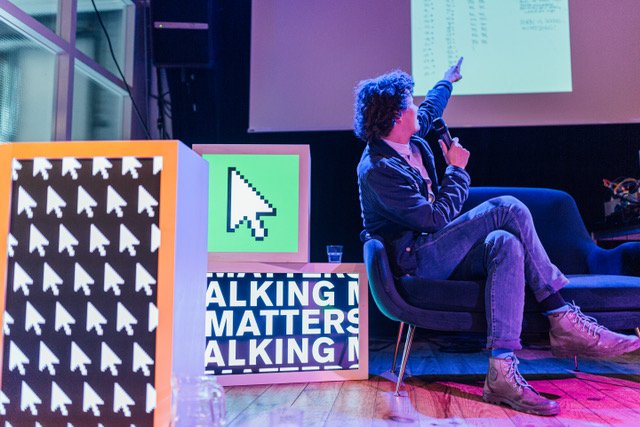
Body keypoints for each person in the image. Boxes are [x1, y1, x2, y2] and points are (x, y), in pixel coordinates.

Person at [354, 59, 640, 416]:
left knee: (506, 244)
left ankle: (502, 372)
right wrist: (456, 169)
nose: (417, 107)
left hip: (437, 249)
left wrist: (447, 80)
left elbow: (430, 110)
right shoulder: (378, 168)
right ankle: (562, 316)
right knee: (507, 207)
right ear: (397, 116)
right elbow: (434, 219)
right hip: (417, 259)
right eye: (410, 103)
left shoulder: (408, 139)